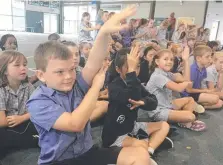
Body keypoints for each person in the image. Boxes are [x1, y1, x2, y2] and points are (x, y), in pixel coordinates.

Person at [26, 6, 151, 165]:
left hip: (87, 153)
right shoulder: (38, 101)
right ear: (41, 75)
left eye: (71, 69)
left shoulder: (75, 83)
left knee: (140, 155)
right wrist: (94, 87)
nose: (69, 76)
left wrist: (104, 32)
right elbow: (75, 124)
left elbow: (94, 61)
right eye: (59, 72)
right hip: (59, 161)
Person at [102, 47, 172, 165]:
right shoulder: (114, 86)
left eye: (137, 66)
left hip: (132, 127)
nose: (134, 71)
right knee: (142, 145)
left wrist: (143, 102)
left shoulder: (136, 83)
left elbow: (153, 102)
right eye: (130, 67)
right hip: (115, 136)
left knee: (164, 126)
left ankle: (149, 151)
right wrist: (132, 74)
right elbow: (132, 95)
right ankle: (144, 144)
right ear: (118, 69)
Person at [146, 47, 206, 131]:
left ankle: (183, 121)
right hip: (158, 112)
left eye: (171, 59)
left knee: (190, 99)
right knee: (191, 116)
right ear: (157, 61)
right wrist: (186, 83)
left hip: (167, 105)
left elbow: (186, 79)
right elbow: (179, 88)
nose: (169, 62)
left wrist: (186, 60)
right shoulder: (157, 76)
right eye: (165, 59)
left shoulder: (166, 74)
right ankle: (183, 119)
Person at [0, 50, 38, 155]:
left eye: (25, 65)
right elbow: (2, 122)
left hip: (24, 123)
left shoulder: (28, 86)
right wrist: (28, 115)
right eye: (17, 65)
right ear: (5, 71)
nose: (23, 68)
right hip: (6, 129)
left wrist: (22, 118)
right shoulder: (2, 90)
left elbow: (39, 108)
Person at [182, 45, 223, 110]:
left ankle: (197, 106)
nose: (210, 59)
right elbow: (188, 90)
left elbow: (200, 84)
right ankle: (191, 104)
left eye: (210, 56)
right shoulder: (193, 70)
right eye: (207, 57)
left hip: (197, 92)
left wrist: (206, 92)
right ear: (198, 58)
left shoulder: (203, 68)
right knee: (215, 98)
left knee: (220, 103)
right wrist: (205, 91)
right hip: (188, 94)